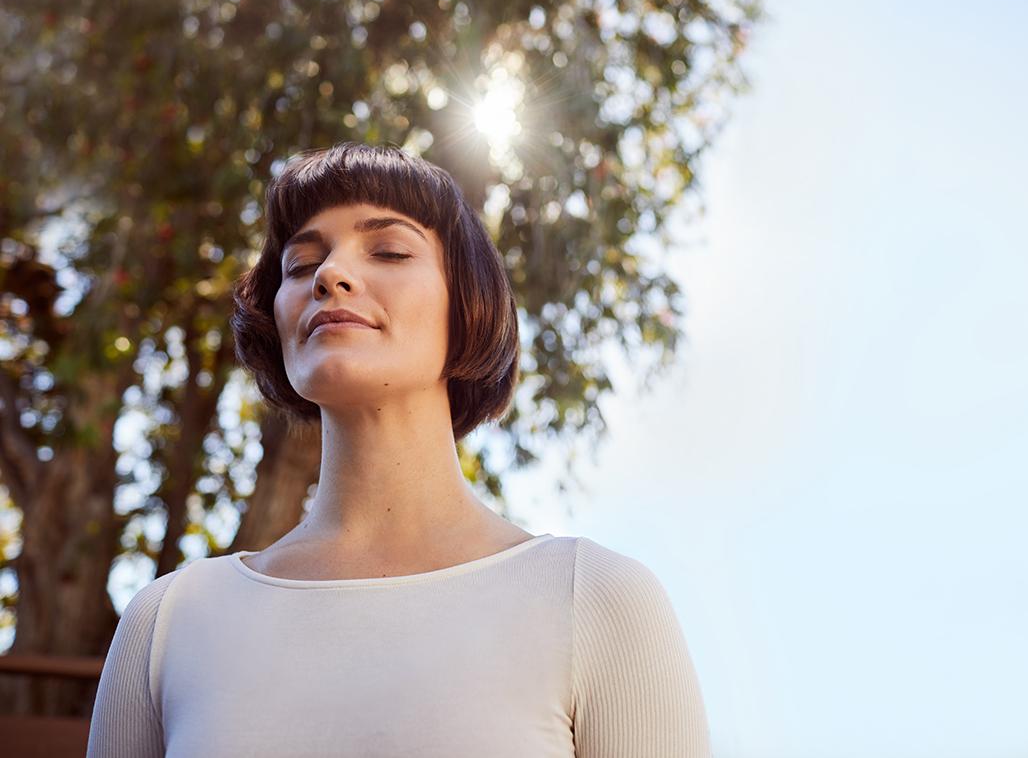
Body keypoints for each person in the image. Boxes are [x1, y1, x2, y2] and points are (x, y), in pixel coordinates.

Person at [86, 141, 713, 757]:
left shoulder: (594, 599)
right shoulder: (166, 625)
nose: (330, 275)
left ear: (466, 302)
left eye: (388, 250)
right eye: (301, 265)